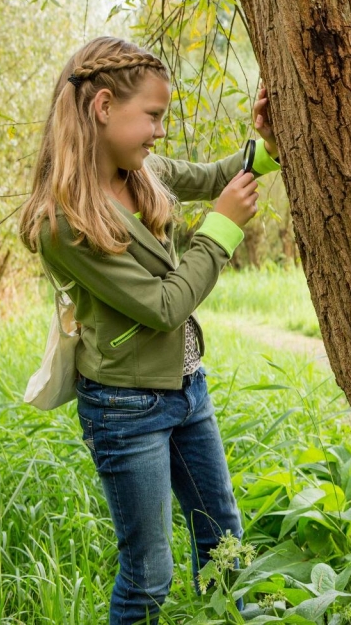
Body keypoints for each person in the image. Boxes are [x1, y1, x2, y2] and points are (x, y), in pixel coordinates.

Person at [18, 36, 280, 625]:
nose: (160, 131)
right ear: (104, 106)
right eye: (153, 117)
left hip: (188, 387)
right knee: (149, 572)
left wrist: (267, 144)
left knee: (225, 539)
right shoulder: (62, 221)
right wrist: (222, 231)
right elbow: (164, 306)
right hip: (125, 406)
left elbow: (216, 174)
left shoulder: (142, 170)